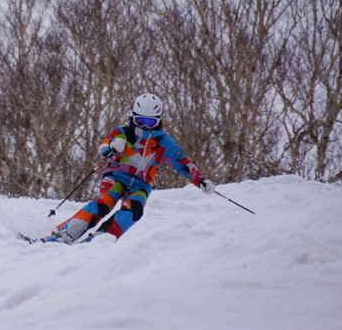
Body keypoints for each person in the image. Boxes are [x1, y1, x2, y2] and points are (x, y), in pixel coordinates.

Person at [47, 93, 216, 244]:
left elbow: (183, 163)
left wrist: (200, 180)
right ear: (133, 116)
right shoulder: (123, 132)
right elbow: (103, 148)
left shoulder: (163, 143)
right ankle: (65, 233)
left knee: (134, 210)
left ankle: (102, 238)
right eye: (140, 120)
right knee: (104, 203)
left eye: (150, 122)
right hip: (116, 176)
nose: (144, 126)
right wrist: (113, 146)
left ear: (159, 120)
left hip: (141, 184)